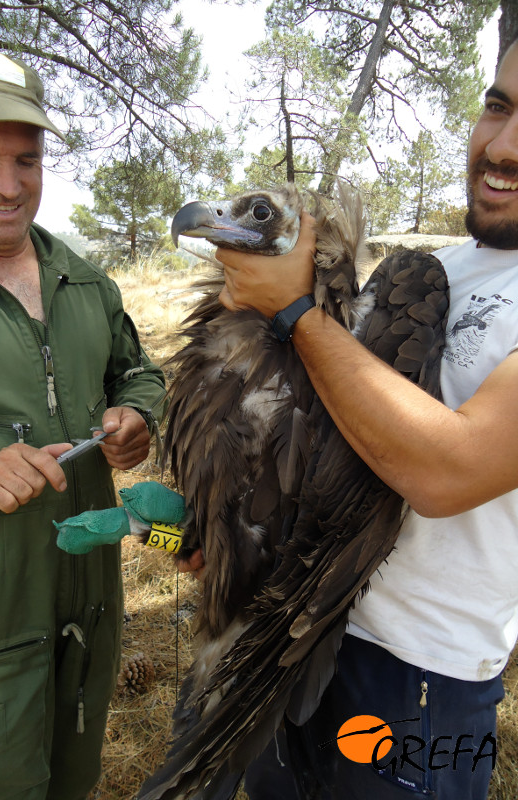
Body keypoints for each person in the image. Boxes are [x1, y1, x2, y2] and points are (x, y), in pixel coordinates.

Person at [209, 36, 518, 800]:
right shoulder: (445, 265)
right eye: (498, 106)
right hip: (300, 630)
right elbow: (330, 426)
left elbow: (448, 472)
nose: (503, 147)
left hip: (417, 681)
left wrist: (293, 311)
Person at [0, 43, 166, 800]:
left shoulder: (86, 280)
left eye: (26, 160)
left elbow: (140, 372)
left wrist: (135, 416)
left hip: (90, 612)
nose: (9, 183)